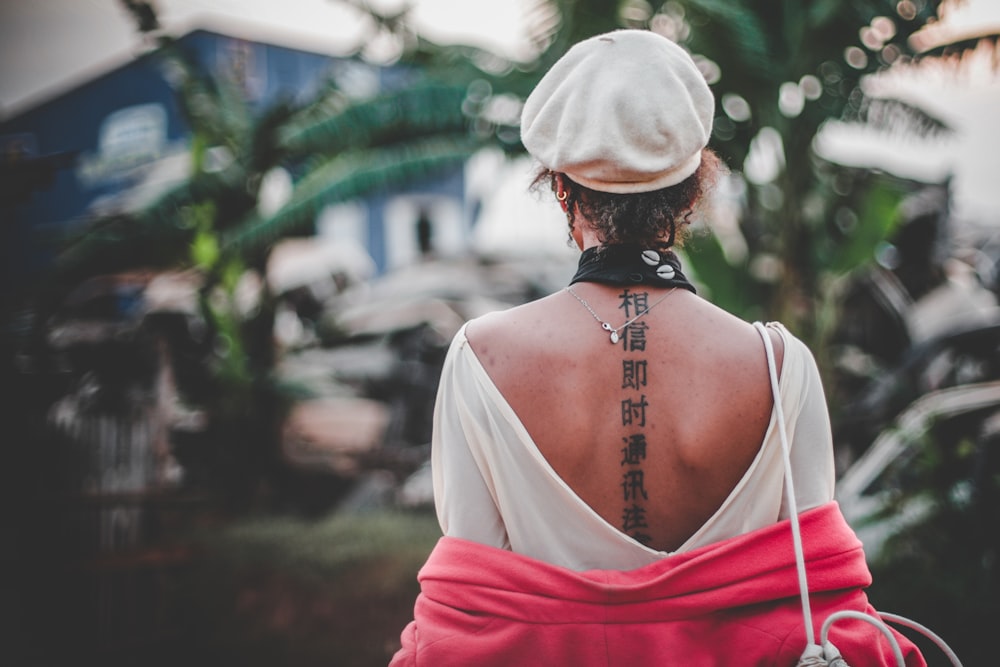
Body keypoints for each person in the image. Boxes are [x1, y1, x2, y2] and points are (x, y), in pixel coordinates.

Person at [390, 29, 927, 667]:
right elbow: (825, 598)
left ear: (561, 189)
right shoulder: (780, 367)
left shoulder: (481, 358)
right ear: (692, 191)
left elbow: (474, 608)